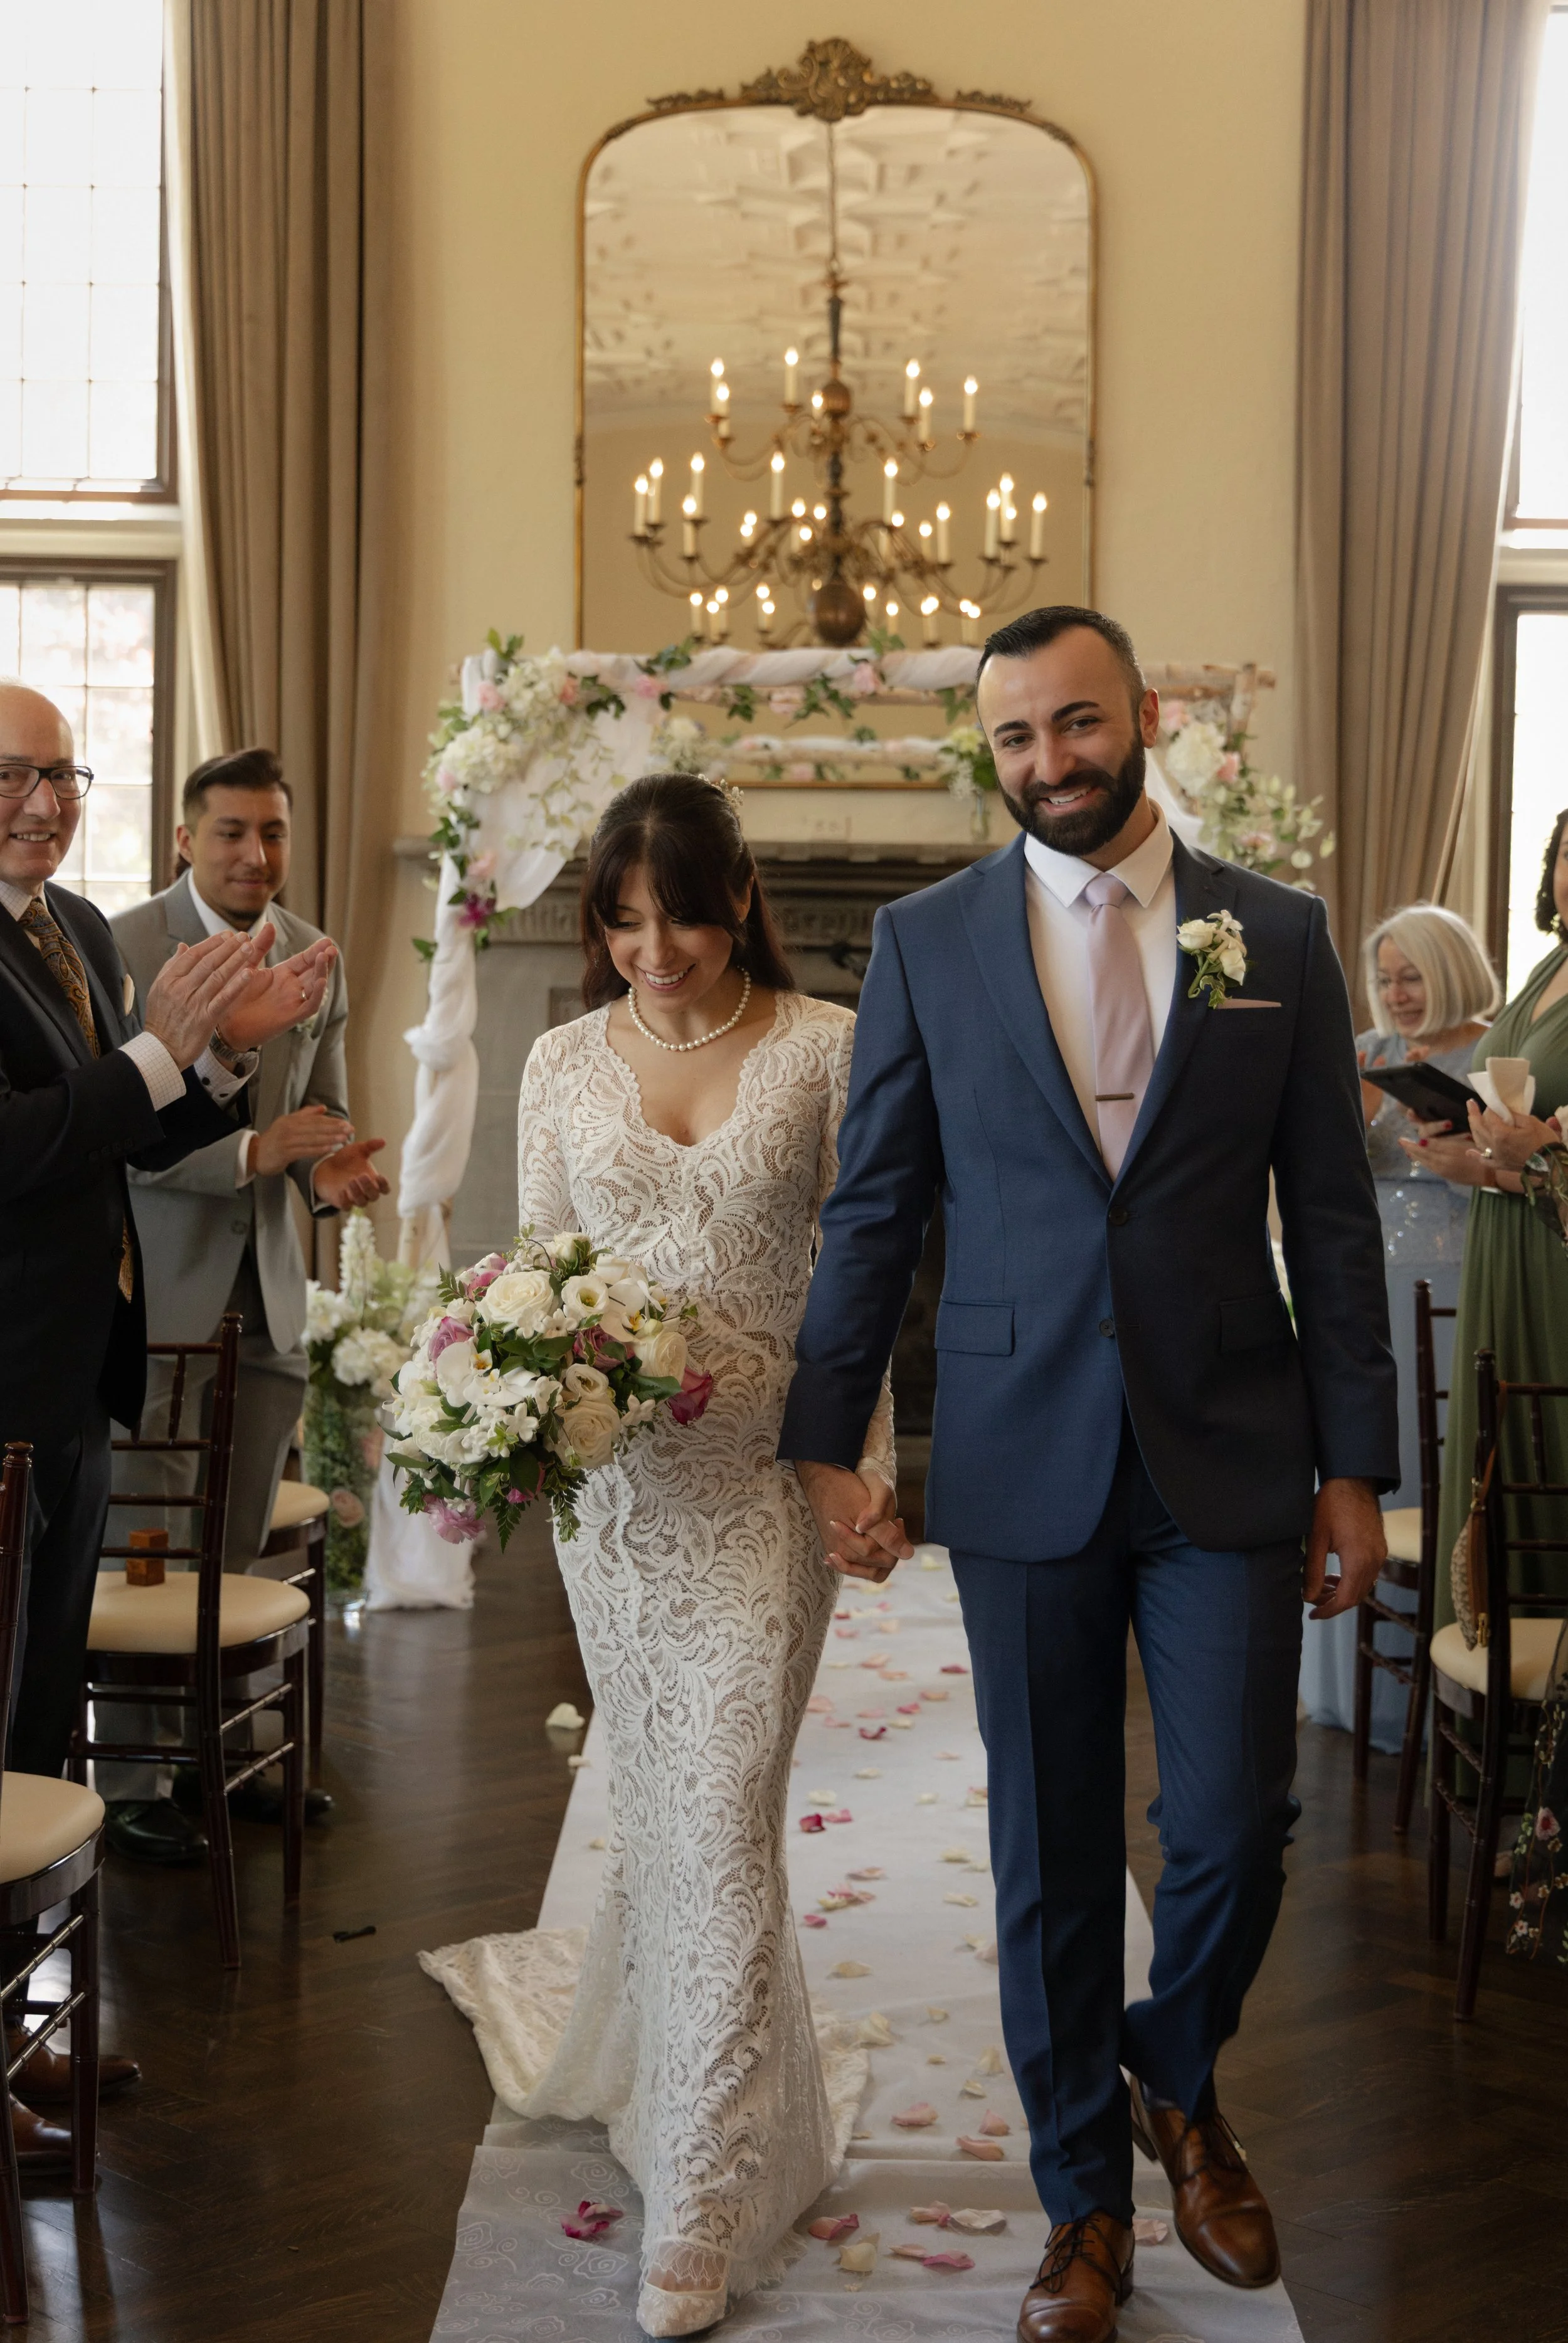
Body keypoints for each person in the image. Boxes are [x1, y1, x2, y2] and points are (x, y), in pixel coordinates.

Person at [778, 606, 1397, 2343]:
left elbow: (1332, 1224)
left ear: (1146, 714)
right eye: (1012, 740)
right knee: (1048, 1848)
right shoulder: (923, 942)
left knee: (1231, 1825)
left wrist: (1359, 1468)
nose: (1046, 763)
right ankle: (1084, 2208)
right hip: (1019, 1447)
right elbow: (876, 1210)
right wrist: (829, 1443)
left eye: (1073, 724)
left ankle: (1164, 2071)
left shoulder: (1272, 933)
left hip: (1233, 1446)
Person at [422, 774, 905, 2337]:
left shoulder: (832, 1047)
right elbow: (539, 1276)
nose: (654, 948)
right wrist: (516, 1411)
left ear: (740, 892)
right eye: (621, 919)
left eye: (681, 912)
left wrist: (861, 1470)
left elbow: (864, 1282)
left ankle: (699, 2195)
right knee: (671, 1802)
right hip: (616, 1506)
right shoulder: (558, 1062)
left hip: (766, 1483)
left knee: (721, 1805)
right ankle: (711, 2094)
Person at [0, 679, 334, 2168]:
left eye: (63, 774)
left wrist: (222, 1053)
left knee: (28, 1724)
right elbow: (20, 1144)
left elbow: (137, 1126)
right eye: (15, 774)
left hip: (74, 1375)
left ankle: (15, 2041)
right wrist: (153, 1060)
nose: (46, 800)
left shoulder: (69, 930)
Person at [100, 748, 388, 1862]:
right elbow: (118, 1141)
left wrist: (329, 1169)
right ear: (185, 838)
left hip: (266, 1298)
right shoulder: (119, 948)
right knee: (147, 1546)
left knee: (241, 1544)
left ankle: (227, 1754)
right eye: (230, 832)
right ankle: (130, 1781)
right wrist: (257, 1153)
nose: (254, 855)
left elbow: (328, 1108)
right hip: (154, 1297)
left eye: (271, 832)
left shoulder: (315, 950)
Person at [1299, 904, 1496, 1745]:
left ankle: (1431, 1700)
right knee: (1352, 1467)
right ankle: (1348, 1691)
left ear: (1450, 969)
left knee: (1427, 1471)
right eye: (1384, 978)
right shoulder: (1370, 1054)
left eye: (1412, 975)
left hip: (1450, 1280)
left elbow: (1510, 1180)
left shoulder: (1492, 1048)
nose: (1396, 992)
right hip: (1362, 1285)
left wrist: (1455, 1152)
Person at [1422, 810, 1568, 1634]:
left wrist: (1533, 1158)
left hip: (1555, 1260)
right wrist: (1482, 1156)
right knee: (1496, 1459)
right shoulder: (1552, 964)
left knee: (1548, 1452)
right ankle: (1486, 1734)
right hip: (1506, 1237)